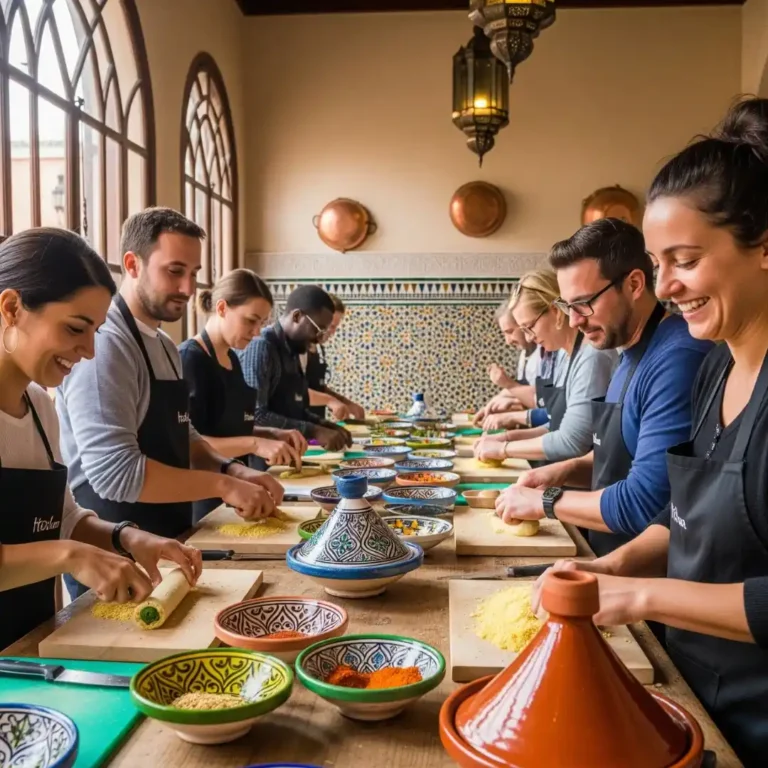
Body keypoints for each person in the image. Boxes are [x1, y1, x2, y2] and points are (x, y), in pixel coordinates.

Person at [531, 98, 768, 767]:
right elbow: (682, 516)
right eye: (659, 263)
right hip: (692, 699)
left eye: (684, 260)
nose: (664, 287)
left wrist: (637, 594)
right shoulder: (718, 366)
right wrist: (610, 565)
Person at [57, 208, 283, 597]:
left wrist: (233, 470)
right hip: (117, 559)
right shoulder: (107, 345)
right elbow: (116, 475)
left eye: (194, 273)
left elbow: (184, 434)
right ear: (132, 264)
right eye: (174, 271)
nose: (188, 288)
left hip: (169, 542)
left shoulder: (162, 344)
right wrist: (222, 484)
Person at [0, 228, 201, 650]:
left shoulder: (38, 405)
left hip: (28, 648)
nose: (89, 351)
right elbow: (62, 544)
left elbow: (64, 517)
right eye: (76, 328)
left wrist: (127, 537)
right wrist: (71, 556)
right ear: (12, 307)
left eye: (94, 331)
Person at [491, 219, 712, 558]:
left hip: (644, 573)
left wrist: (546, 501)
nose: (575, 320)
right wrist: (563, 470)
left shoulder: (677, 359)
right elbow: (619, 453)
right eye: (568, 307)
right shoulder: (628, 353)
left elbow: (643, 502)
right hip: (605, 554)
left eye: (584, 303)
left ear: (634, 284)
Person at [179, 269, 307, 522]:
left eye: (261, 323)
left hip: (236, 495)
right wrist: (256, 444)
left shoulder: (232, 359)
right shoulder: (189, 360)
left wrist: (269, 433)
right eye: (251, 320)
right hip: (202, 503)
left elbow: (229, 427)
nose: (257, 332)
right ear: (222, 308)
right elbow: (187, 444)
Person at [474, 270, 617, 465]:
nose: (529, 337)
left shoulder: (592, 357)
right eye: (523, 330)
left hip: (585, 483)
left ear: (556, 312)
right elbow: (557, 425)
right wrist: (506, 437)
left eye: (529, 326)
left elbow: (572, 441)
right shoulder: (564, 356)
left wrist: (503, 449)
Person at [237, 285, 353, 452]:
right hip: (263, 459)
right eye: (317, 330)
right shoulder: (262, 347)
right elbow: (256, 416)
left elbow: (294, 409)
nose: (317, 339)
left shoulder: (293, 349)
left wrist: (326, 426)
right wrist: (314, 431)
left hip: (289, 453)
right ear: (297, 316)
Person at [473, 301, 541, 426]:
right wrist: (493, 404)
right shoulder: (525, 353)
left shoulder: (548, 351)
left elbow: (545, 400)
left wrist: (507, 384)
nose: (508, 341)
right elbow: (524, 388)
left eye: (510, 332)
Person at [303, 295, 365, 421]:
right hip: (299, 425)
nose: (333, 332)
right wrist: (330, 400)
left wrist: (346, 403)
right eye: (331, 326)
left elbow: (317, 387)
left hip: (316, 422)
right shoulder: (298, 349)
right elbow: (293, 391)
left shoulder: (317, 348)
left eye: (335, 327)